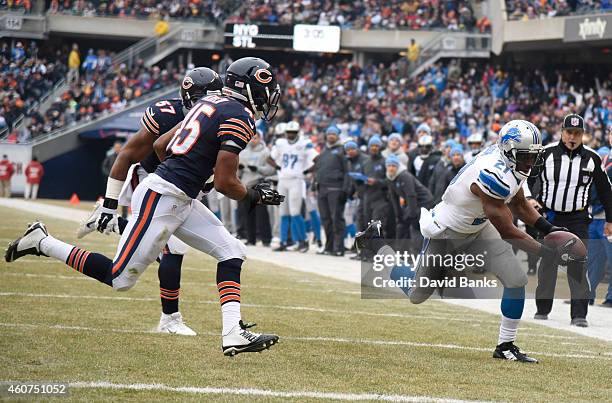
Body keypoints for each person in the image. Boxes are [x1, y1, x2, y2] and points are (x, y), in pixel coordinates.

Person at [6, 57, 284, 357]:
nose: (269, 96)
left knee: (232, 250)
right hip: (164, 195)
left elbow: (162, 145)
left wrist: (187, 174)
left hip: (176, 194)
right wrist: (253, 196)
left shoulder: (211, 104)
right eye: (265, 87)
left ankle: (233, 332)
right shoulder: (239, 114)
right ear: (251, 85)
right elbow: (225, 182)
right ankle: (42, 242)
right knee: (120, 278)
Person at [356, 120, 579, 362]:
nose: (530, 162)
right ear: (509, 150)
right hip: (448, 232)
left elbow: (519, 203)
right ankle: (375, 242)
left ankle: (505, 345)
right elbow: (509, 231)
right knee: (416, 294)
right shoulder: (492, 174)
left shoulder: (510, 162)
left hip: (479, 226)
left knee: (516, 279)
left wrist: (550, 228)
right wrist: (550, 254)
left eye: (533, 156)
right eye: (525, 156)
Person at [75, 67, 224, 335]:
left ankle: (108, 223)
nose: (210, 104)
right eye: (205, 98)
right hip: (152, 179)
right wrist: (110, 203)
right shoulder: (166, 115)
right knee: (173, 248)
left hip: (185, 186)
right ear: (189, 97)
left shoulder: (221, 116)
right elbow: (127, 155)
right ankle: (170, 319)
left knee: (161, 245)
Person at [533, 114, 612, 327]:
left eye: (577, 133)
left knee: (578, 265)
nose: (572, 137)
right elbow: (529, 178)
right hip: (550, 216)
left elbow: (606, 191)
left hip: (578, 218)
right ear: (562, 131)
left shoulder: (593, 158)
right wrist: (532, 200)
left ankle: (579, 315)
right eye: (569, 132)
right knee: (547, 264)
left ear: (583, 135)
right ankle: (542, 309)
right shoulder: (546, 154)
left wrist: (610, 219)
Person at [269, 121, 317, 252]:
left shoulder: (304, 143)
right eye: (289, 132)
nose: (290, 135)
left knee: (295, 212)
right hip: (283, 180)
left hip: (296, 180)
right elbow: (269, 158)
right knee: (283, 213)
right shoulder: (280, 143)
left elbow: (317, 160)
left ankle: (303, 241)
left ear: (297, 132)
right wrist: (279, 167)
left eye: (293, 133)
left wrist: (306, 171)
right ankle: (283, 241)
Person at [314, 126, 350, 256]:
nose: (331, 136)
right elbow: (317, 170)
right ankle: (328, 246)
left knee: (337, 219)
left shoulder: (342, 151)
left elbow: (347, 171)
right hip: (322, 189)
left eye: (333, 134)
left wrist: (345, 190)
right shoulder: (323, 152)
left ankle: (339, 247)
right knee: (325, 219)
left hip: (336, 189)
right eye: (329, 133)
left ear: (338, 136)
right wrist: (314, 185)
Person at [385, 154, 433, 243]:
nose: (391, 168)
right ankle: (402, 252)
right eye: (389, 166)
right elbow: (394, 198)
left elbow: (411, 195)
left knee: (414, 225)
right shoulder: (390, 178)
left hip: (424, 201)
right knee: (401, 225)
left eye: (393, 166)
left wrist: (412, 214)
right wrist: (398, 215)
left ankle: (418, 251)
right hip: (413, 202)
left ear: (397, 167)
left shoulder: (404, 176)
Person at [586, 145, 612, 307]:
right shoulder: (603, 157)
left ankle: (611, 297)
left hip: (608, 217)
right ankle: (587, 294)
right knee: (592, 258)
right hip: (595, 215)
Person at [238, 132, 274, 246]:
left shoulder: (266, 152)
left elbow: (271, 169)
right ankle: (250, 239)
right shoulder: (243, 152)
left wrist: (258, 169)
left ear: (260, 138)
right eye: (252, 138)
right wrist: (240, 168)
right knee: (248, 213)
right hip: (247, 184)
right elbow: (238, 171)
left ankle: (266, 239)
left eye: (256, 138)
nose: (253, 140)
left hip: (260, 183)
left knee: (262, 213)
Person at [362, 136, 391, 238]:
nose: (374, 148)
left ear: (380, 147)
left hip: (381, 199)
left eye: (376, 146)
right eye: (372, 146)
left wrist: (376, 182)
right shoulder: (365, 162)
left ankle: (379, 252)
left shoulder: (385, 162)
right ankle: (368, 252)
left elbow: (389, 181)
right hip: (367, 198)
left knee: (377, 227)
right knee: (367, 226)